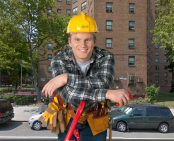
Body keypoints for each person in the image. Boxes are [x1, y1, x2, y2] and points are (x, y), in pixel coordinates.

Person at [41, 12, 130, 141]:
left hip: (95, 117)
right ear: (70, 42)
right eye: (77, 39)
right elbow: (70, 95)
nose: (82, 45)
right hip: (68, 118)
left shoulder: (106, 57)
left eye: (87, 40)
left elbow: (103, 83)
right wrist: (106, 94)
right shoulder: (59, 60)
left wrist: (66, 78)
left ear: (94, 41)